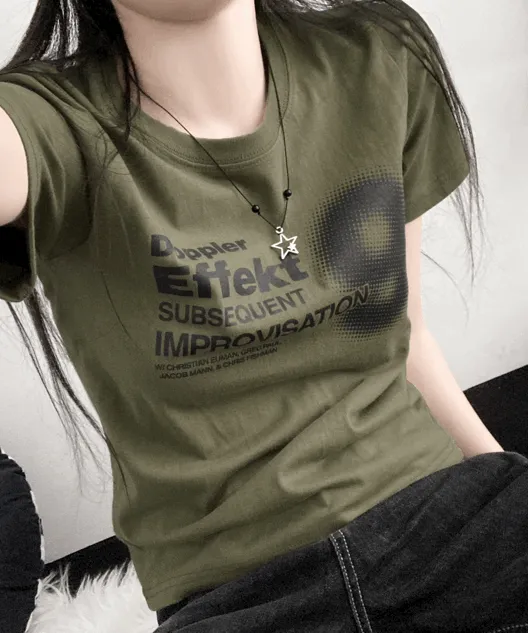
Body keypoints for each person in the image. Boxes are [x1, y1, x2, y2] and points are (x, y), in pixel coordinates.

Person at [0, 0, 527, 631]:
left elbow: (407, 337)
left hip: (450, 519)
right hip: (242, 595)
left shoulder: (379, 54)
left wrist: (506, 482)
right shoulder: (46, 124)